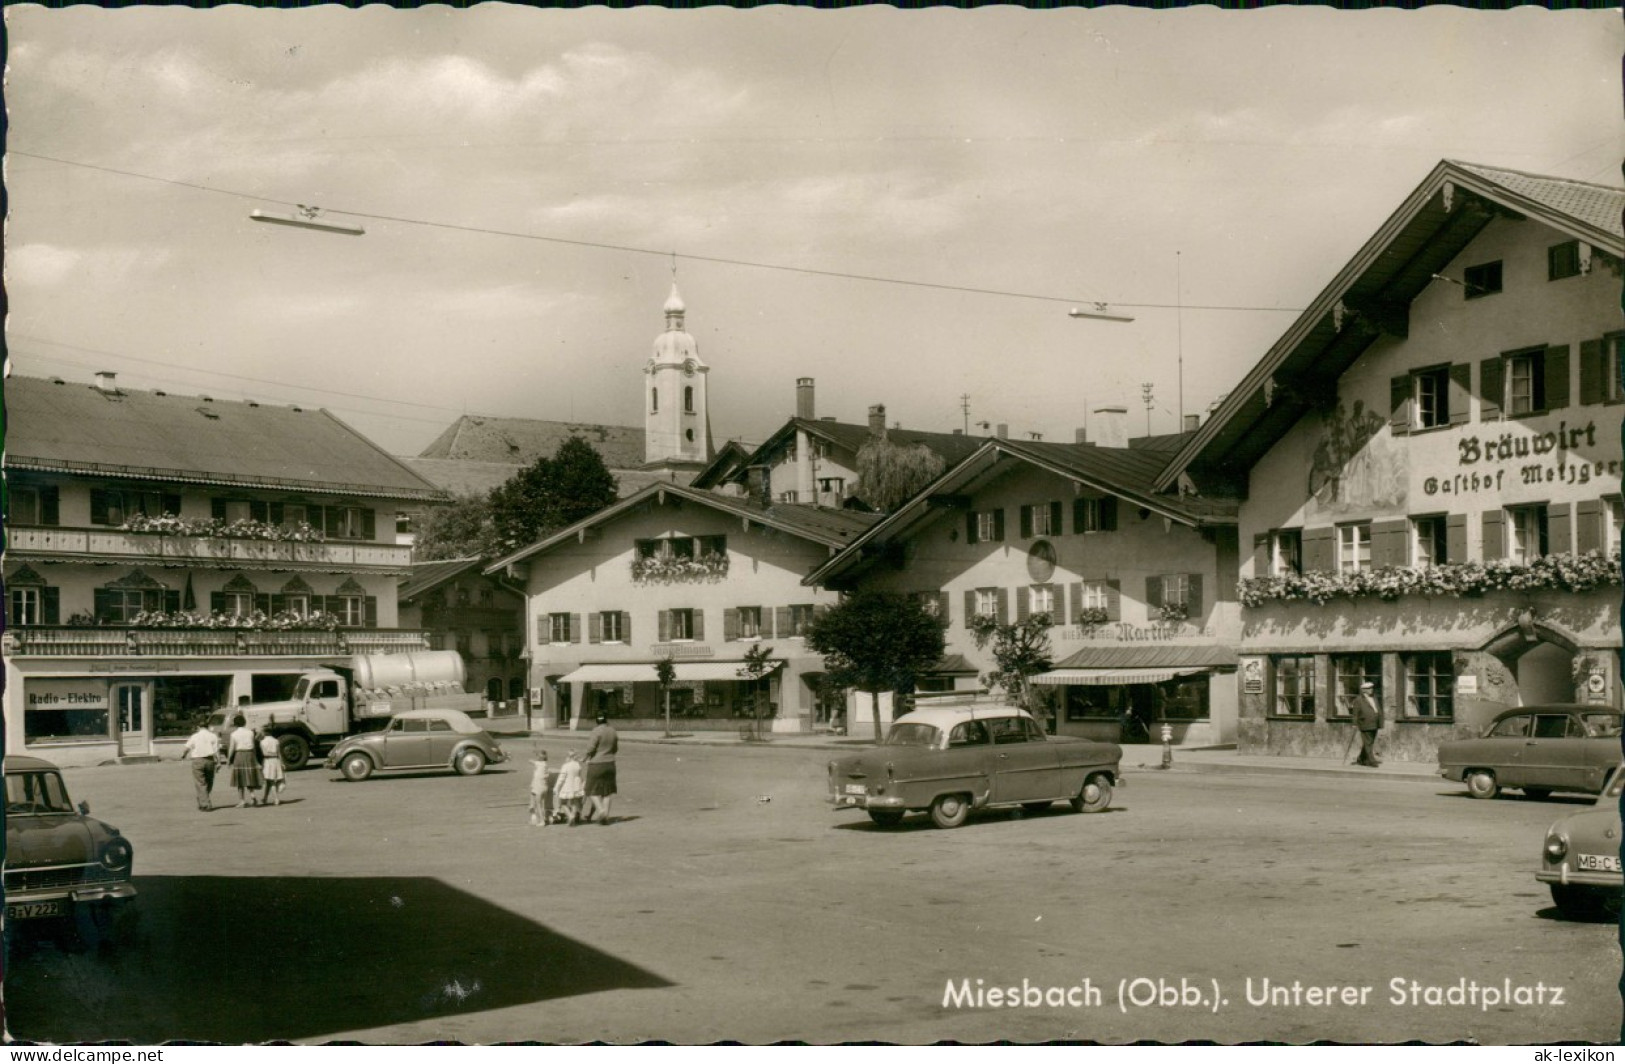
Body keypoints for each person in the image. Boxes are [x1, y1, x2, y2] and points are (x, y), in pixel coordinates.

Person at [583, 711, 620, 825]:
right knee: (607, 792)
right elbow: (615, 748)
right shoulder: (613, 731)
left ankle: (601, 811)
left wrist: (585, 757)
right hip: (610, 763)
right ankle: (606, 817)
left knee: (590, 790)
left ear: (596, 720)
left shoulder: (596, 731)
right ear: (606, 719)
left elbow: (590, 748)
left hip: (596, 764)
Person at [179, 718, 222, 812]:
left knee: (200, 783)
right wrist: (219, 762)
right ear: (207, 727)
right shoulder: (213, 736)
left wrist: (183, 755)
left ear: (198, 727)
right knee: (209, 781)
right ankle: (206, 803)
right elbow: (216, 751)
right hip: (210, 761)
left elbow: (187, 748)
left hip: (197, 761)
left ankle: (203, 800)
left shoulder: (194, 736)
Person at [226, 713, 263, 808]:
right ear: (244, 722)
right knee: (249, 776)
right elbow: (254, 747)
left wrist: (229, 760)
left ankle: (242, 800)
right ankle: (252, 795)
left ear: (235, 724)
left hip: (240, 755)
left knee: (240, 779)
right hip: (250, 754)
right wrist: (255, 758)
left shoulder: (234, 734)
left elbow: (232, 748)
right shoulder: (250, 732)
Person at [1352, 681, 1383, 767]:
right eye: (1369, 688)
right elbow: (1355, 713)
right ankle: (1371, 761)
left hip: (1375, 723)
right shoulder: (1359, 699)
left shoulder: (1374, 697)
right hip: (1365, 723)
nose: (1371, 690)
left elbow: (1377, 709)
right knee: (1368, 742)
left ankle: (1361, 758)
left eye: (1372, 688)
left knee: (1369, 742)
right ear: (1364, 690)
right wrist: (1354, 724)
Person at [553, 752, 586, 826]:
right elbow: (581, 777)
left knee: (563, 803)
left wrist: (556, 787)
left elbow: (561, 778)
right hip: (576, 787)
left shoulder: (566, 766)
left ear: (569, 757)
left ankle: (570, 816)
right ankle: (573, 816)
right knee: (574, 803)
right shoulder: (578, 765)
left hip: (567, 786)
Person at [258, 730, 286, 806]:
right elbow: (279, 753)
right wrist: (282, 763)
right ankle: (265, 798)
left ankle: (276, 798)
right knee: (269, 781)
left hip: (268, 761)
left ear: (264, 733)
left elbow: (265, 753)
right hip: (276, 760)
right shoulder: (276, 741)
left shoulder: (262, 742)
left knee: (270, 781)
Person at [528, 747, 553, 827]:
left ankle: (542, 821)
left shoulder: (539, 764)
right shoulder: (545, 765)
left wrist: (536, 754)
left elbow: (530, 760)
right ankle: (536, 819)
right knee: (536, 803)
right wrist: (537, 754)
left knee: (538, 805)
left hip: (538, 786)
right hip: (542, 786)